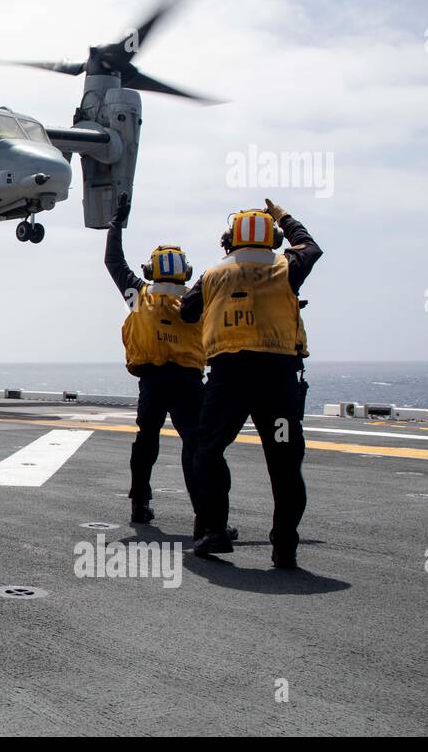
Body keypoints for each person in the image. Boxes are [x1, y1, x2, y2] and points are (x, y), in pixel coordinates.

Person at [181, 199, 322, 569]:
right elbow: (312, 247)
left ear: (230, 241)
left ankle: (214, 530)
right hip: (277, 382)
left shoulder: (213, 274)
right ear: (273, 239)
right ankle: (285, 546)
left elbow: (187, 312)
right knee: (285, 463)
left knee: (208, 451)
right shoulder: (286, 265)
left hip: (230, 380)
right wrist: (285, 217)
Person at [105, 194, 206, 524]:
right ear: (185, 271)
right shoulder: (197, 298)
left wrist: (116, 223)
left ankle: (139, 503)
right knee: (195, 443)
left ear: (151, 270)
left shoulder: (139, 295)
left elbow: (113, 261)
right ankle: (205, 514)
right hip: (189, 383)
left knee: (146, 440)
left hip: (153, 381)